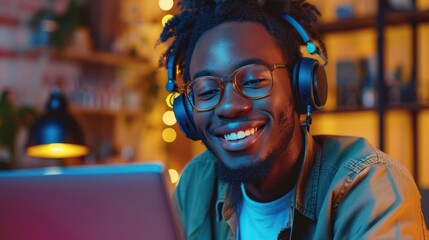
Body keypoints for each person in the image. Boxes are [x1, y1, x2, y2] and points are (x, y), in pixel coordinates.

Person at [158, 0, 428, 239]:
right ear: (187, 114)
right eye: (207, 91)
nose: (229, 107)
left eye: (253, 80)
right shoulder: (197, 181)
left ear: (301, 88)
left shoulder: (370, 185)